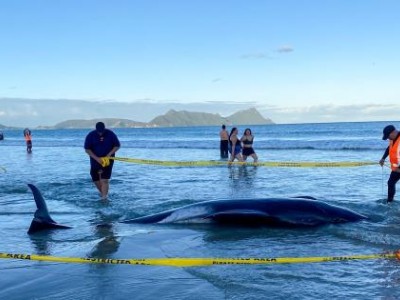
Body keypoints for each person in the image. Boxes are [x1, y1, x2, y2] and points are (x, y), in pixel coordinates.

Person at [84, 122, 120, 199]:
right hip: (95, 159)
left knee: (104, 179)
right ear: (96, 129)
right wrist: (97, 158)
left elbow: (117, 145)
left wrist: (109, 154)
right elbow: (87, 149)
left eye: (102, 131)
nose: (100, 133)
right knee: (95, 178)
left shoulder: (111, 134)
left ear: (104, 128)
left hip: (108, 159)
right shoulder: (91, 135)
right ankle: (103, 193)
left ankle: (104, 198)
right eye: (99, 132)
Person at [379, 125, 400, 202]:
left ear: (393, 132)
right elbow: (389, 148)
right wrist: (383, 158)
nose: (388, 138)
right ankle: (390, 202)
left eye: (388, 136)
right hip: (396, 168)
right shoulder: (392, 139)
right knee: (390, 183)